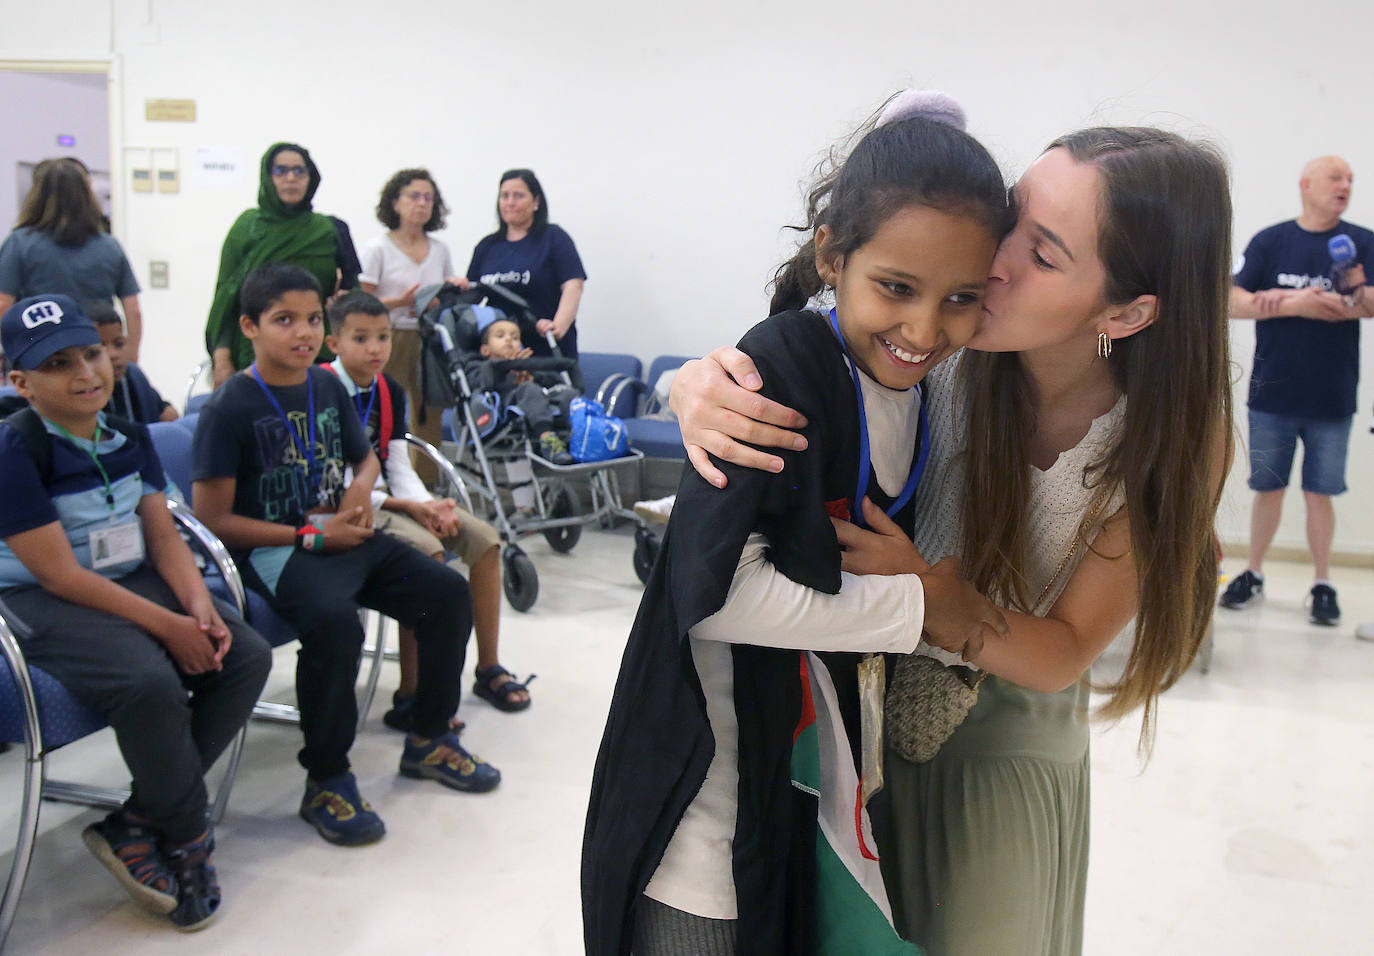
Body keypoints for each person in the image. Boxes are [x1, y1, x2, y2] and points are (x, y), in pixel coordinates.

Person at [669, 125, 1233, 954]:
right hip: (859, 716)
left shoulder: (1162, 438)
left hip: (999, 745)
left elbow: (1062, 653)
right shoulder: (942, 342)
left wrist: (928, 596)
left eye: (1041, 256)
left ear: (1127, 310)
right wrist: (697, 386)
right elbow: (799, 360)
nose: (991, 262)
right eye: (1010, 223)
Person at [583, 92, 1017, 956]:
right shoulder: (785, 365)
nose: (925, 327)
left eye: (961, 297)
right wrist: (920, 610)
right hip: (707, 810)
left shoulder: (924, 388)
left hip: (801, 788)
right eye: (896, 287)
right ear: (832, 254)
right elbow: (713, 596)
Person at [191, 263, 500, 848]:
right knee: (335, 626)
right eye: (284, 320)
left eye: (311, 319)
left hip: (343, 536)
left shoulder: (327, 385)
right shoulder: (230, 406)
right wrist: (310, 537)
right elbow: (213, 521)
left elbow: (366, 458)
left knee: (445, 593)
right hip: (276, 551)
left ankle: (430, 737)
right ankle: (327, 779)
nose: (303, 333)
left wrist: (360, 490)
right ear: (250, 327)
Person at [0, 294, 271, 931]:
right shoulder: (14, 451)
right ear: (20, 382)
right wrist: (168, 626)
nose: (86, 371)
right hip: (43, 598)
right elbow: (59, 574)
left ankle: (135, 822)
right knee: (148, 682)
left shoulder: (128, 436)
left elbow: (161, 534)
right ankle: (186, 837)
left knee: (244, 653)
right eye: (59, 363)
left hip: (124, 576)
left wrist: (199, 608)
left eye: (92, 353)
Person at [321, 290, 532, 715]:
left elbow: (397, 465)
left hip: (395, 500)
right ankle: (413, 693)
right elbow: (334, 478)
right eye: (360, 339)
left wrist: (428, 505)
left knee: (486, 540)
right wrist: (411, 510)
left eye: (383, 337)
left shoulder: (389, 390)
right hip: (348, 506)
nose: (375, 348)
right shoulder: (321, 388)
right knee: (426, 552)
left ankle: (487, 668)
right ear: (334, 344)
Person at [1220, 156, 1374, 626]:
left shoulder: (1362, 243)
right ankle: (1254, 573)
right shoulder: (1272, 240)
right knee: (1268, 487)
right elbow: (1230, 300)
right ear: (1306, 184)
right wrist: (1294, 303)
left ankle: (1323, 584)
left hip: (1331, 395)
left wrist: (1352, 294)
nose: (1345, 185)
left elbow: (1369, 304)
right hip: (1272, 394)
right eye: (1335, 177)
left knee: (1318, 492)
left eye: (1350, 179)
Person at [204, 143, 361, 387]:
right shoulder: (246, 228)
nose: (291, 178)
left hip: (316, 353)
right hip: (254, 355)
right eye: (281, 171)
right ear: (267, 177)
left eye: (299, 171)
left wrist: (343, 302)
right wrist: (222, 360)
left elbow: (355, 294)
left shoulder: (329, 230)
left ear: (311, 177)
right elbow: (226, 300)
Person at [359, 168, 469, 478]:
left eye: (429, 198)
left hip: (429, 337)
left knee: (430, 411)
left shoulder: (440, 249)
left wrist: (448, 293)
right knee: (383, 409)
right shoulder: (377, 249)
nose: (422, 204)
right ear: (395, 202)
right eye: (415, 196)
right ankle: (380, 482)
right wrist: (399, 302)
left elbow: (443, 294)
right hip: (388, 336)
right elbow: (359, 305)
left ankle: (427, 487)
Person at [0, 158, 144, 359]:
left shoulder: (19, 244)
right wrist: (130, 356)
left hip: (45, 353)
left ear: (37, 195)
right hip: (97, 350)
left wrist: (15, 352)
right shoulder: (109, 245)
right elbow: (133, 309)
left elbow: (3, 305)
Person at [466, 169, 586, 379]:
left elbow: (573, 286)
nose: (510, 202)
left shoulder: (553, 238)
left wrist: (557, 326)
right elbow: (472, 297)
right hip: (501, 356)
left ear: (536, 202)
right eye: (505, 196)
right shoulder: (486, 247)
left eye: (518, 196)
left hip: (546, 348)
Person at [472, 314, 574, 464]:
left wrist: (532, 376)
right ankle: (548, 441)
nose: (509, 340)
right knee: (528, 389)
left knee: (566, 392)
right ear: (485, 350)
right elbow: (484, 384)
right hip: (505, 408)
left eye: (515, 338)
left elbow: (553, 380)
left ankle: (584, 432)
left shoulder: (528, 365)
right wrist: (508, 368)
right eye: (500, 336)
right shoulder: (483, 368)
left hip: (539, 403)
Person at [87, 299, 179, 424]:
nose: (113, 354)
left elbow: (159, 406)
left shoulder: (134, 376)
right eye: (100, 348)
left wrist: (166, 409)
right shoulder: (86, 393)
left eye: (119, 344)